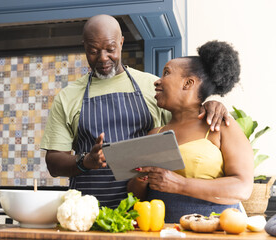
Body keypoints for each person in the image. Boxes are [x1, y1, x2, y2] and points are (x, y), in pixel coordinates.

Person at [41, 14, 230, 208]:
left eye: (110, 49)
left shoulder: (153, 86)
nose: (103, 57)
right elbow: (54, 163)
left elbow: (187, 119)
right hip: (88, 212)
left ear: (121, 43)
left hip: (146, 212)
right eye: (93, 51)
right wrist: (85, 161)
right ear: (85, 47)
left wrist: (210, 105)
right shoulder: (67, 97)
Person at [127, 40, 254, 222]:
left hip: (215, 232)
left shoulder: (220, 125)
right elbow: (136, 197)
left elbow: (242, 187)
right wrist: (141, 180)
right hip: (164, 233)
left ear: (188, 83)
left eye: (166, 73)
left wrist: (180, 185)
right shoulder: (154, 134)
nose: (157, 81)